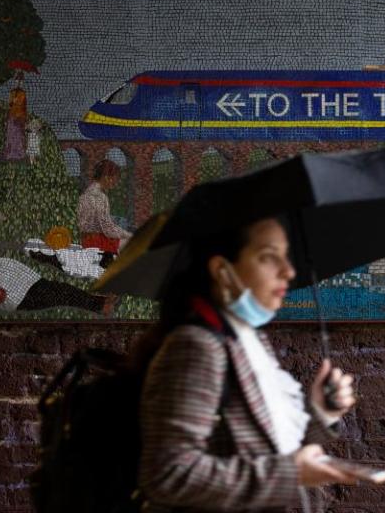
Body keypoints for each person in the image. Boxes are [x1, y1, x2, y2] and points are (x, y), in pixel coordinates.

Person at [133, 217, 358, 513]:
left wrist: (320, 412)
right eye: (268, 257)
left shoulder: (247, 338)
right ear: (223, 271)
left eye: (285, 255)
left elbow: (265, 447)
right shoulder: (197, 346)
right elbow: (170, 474)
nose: (288, 271)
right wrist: (291, 474)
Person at [0, 226, 107, 313]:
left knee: (62, 290)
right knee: (62, 293)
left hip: (20, 280)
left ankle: (100, 303)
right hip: (15, 291)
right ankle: (100, 305)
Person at [77, 159, 131, 265]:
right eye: (115, 178)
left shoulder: (86, 193)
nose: (116, 182)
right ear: (106, 177)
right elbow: (107, 228)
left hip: (85, 240)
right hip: (97, 242)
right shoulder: (100, 197)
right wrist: (127, 234)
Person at [4, 71, 27, 161]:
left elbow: (24, 106)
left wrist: (24, 117)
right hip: (12, 115)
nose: (19, 83)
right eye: (18, 81)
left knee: (18, 134)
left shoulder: (23, 93)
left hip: (20, 115)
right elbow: (9, 104)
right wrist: (13, 101)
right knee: (11, 133)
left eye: (21, 82)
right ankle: (10, 153)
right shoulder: (12, 92)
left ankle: (18, 153)